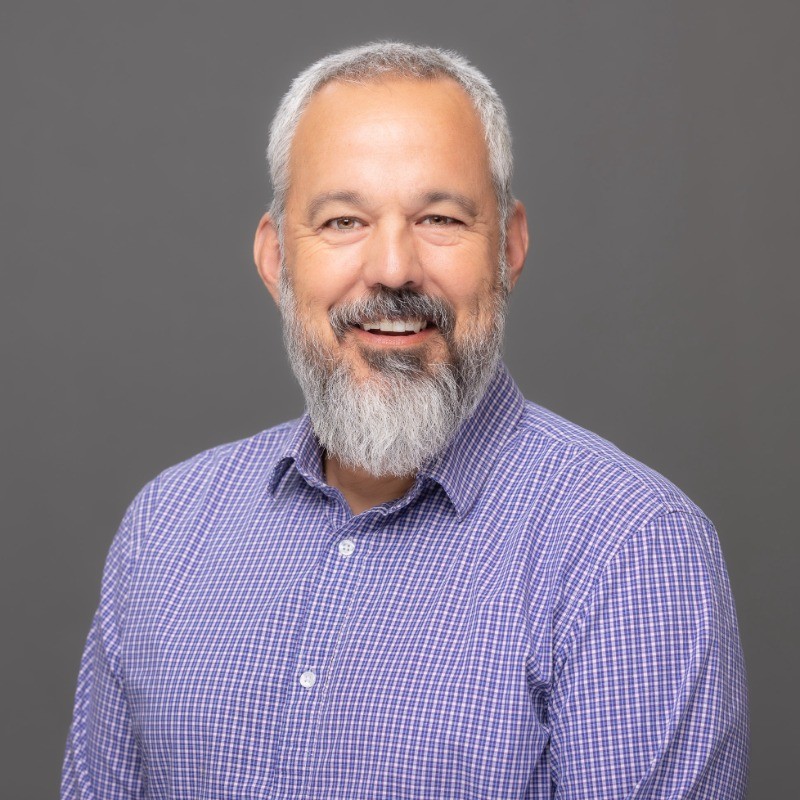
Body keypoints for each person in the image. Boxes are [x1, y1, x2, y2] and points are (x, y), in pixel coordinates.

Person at [62, 42, 748, 799]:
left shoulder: (630, 549)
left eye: (441, 217)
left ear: (510, 248)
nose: (392, 268)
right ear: (275, 259)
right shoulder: (166, 529)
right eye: (343, 220)